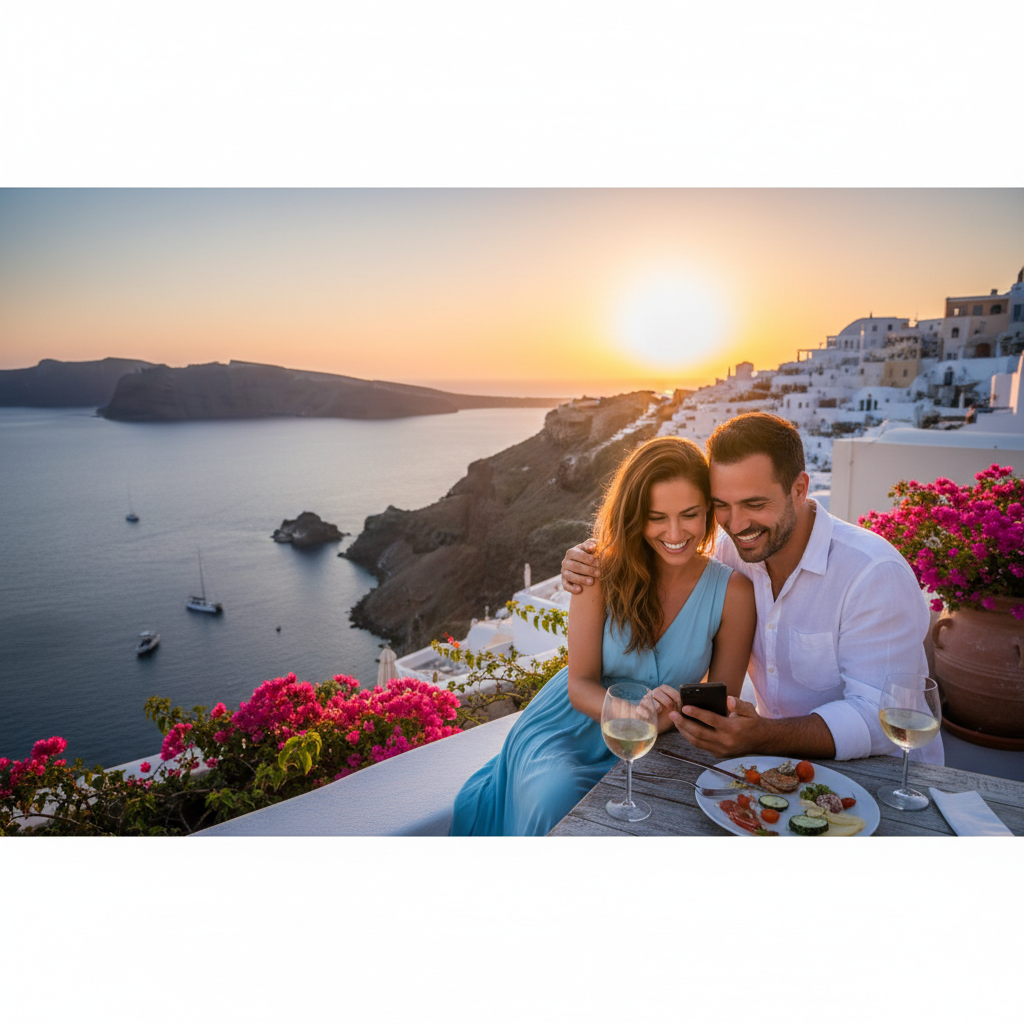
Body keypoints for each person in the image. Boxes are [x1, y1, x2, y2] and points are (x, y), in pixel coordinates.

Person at [562, 412, 944, 766]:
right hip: (775, 764)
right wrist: (588, 557)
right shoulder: (734, 550)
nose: (737, 522)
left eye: (754, 503)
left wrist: (763, 736)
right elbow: (664, 550)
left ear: (799, 488)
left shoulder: (872, 574)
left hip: (884, 777)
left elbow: (883, 720)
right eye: (722, 506)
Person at [449, 436, 755, 836]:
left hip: (654, 736)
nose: (675, 532)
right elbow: (579, 686)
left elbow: (719, 702)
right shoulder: (596, 571)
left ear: (709, 512)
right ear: (634, 515)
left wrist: (668, 714)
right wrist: (640, 717)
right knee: (551, 797)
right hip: (569, 727)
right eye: (656, 516)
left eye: (690, 514)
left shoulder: (733, 593)